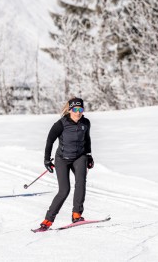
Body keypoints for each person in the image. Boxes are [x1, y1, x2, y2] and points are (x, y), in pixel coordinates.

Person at [37, 97, 95, 231]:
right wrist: (47, 159)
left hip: (79, 157)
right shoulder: (61, 124)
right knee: (64, 190)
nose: (78, 112)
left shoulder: (85, 123)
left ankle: (77, 214)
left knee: (81, 182)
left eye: (81, 109)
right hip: (62, 159)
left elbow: (87, 139)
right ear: (70, 110)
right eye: (75, 109)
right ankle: (48, 220)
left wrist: (89, 155)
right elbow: (49, 141)